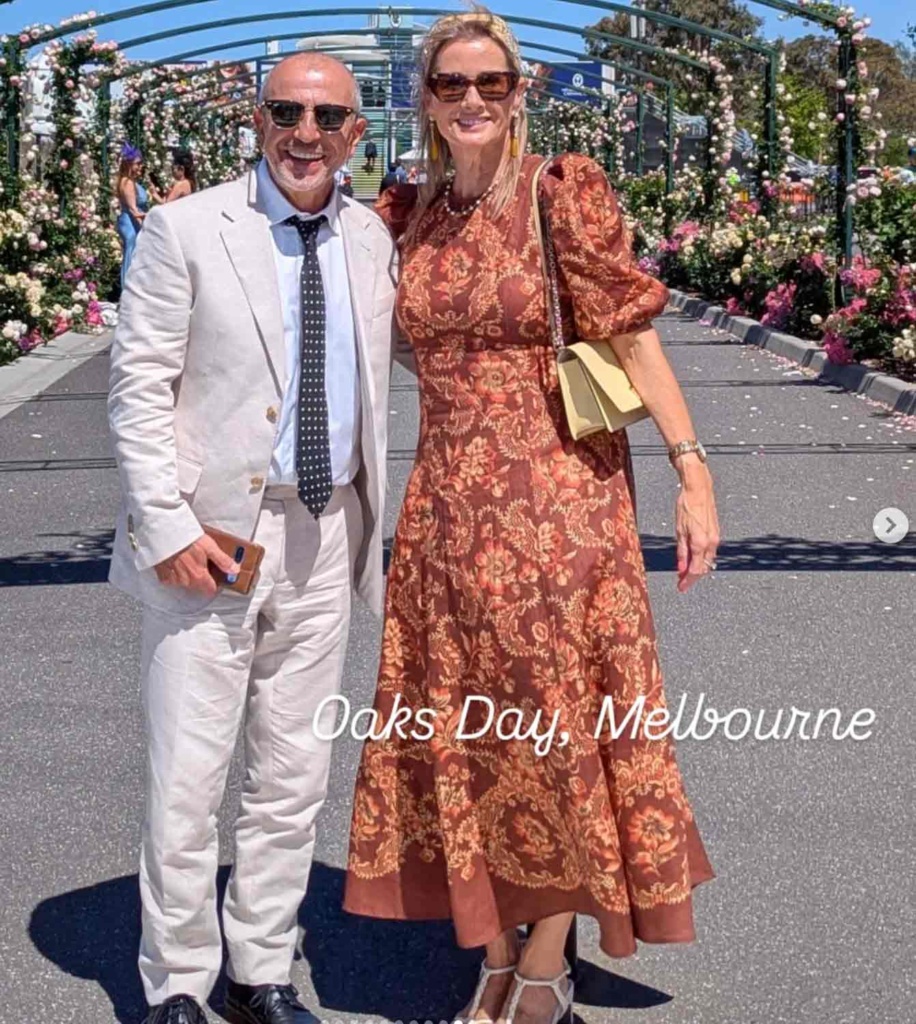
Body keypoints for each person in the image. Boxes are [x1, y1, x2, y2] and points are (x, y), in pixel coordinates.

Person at [343, 10, 718, 1024]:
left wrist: (692, 472)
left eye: (492, 84)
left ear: (521, 93)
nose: (472, 101)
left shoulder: (563, 191)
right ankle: (496, 943)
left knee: (553, 728)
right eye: (452, 85)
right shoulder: (404, 211)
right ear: (423, 98)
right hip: (443, 514)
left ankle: (545, 957)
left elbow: (631, 338)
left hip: (561, 503)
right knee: (468, 731)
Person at [108, 51, 396, 1024]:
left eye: (326, 116)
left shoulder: (369, 240)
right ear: (258, 120)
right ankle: (179, 980)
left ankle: (258, 969)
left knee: (291, 774)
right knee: (188, 775)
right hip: (212, 535)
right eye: (286, 111)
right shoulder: (186, 229)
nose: (304, 132)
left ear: (355, 132)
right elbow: (138, 386)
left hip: (326, 529)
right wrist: (166, 526)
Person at [116, 144, 148, 289]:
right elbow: (133, 209)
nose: (140, 167)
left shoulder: (128, 181)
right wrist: (148, 223)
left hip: (129, 221)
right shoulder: (127, 183)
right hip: (130, 224)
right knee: (132, 252)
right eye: (138, 164)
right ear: (129, 164)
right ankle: (128, 289)